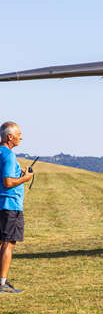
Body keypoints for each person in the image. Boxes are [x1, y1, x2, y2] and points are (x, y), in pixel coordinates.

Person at [0, 122, 33, 293]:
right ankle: (2, 283)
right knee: (8, 243)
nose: (21, 137)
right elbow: (7, 182)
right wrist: (25, 178)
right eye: (19, 134)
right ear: (10, 137)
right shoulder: (9, 155)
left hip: (1, 205)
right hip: (10, 205)